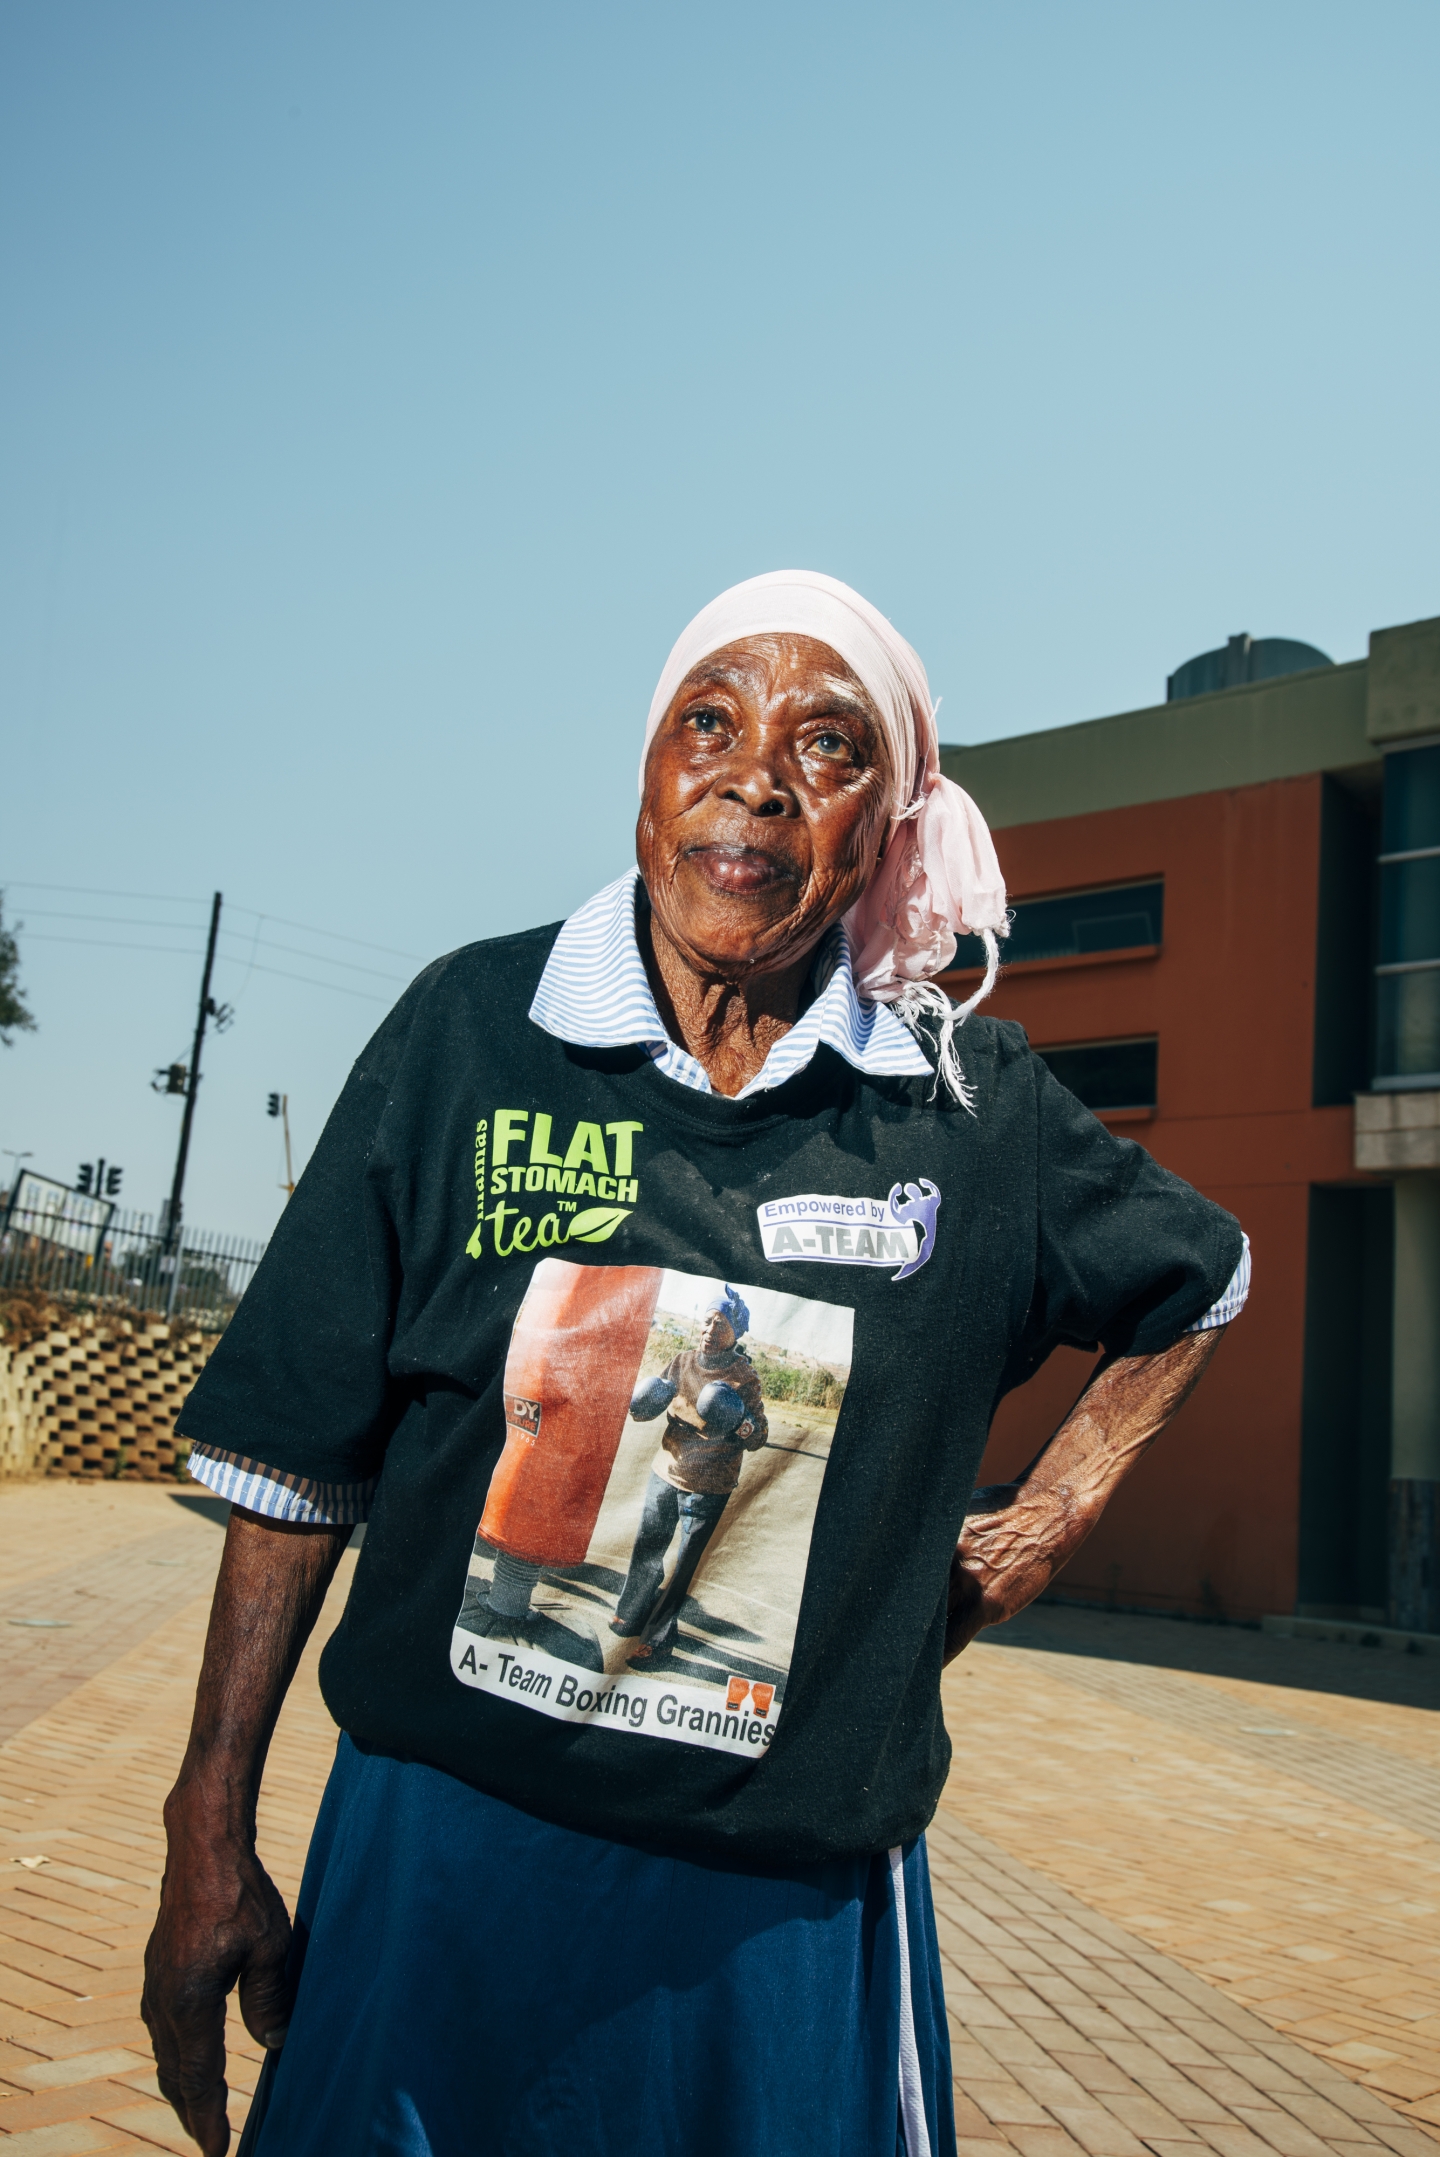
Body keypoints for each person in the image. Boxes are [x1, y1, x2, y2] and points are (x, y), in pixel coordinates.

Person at [142, 570, 1249, 2157]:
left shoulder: (962, 1102)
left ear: (888, 825)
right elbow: (297, 1457)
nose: (755, 776)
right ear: (648, 773)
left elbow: (1204, 1276)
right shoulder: (474, 1028)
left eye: (829, 745)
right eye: (709, 725)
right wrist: (207, 1830)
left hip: (772, 1924)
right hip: (437, 1863)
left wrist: (1042, 1524)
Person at [613, 1285, 768, 1664]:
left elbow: (760, 1437)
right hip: (666, 1469)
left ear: (736, 1333)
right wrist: (643, 1404)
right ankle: (632, 1612)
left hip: (708, 1487)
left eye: (721, 1323)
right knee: (647, 1547)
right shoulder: (682, 1362)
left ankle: (660, 1639)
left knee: (683, 1569)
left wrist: (741, 1423)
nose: (711, 1329)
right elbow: (645, 1406)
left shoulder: (745, 1378)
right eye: (708, 1320)